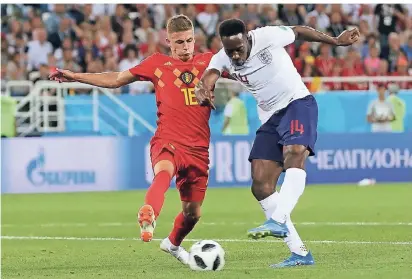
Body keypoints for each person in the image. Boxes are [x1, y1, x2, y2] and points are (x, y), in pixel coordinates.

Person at [49, 15, 220, 265]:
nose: (185, 47)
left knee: (192, 213)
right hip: (168, 140)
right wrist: (77, 76)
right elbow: (117, 79)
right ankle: (149, 214)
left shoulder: (209, 62)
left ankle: (172, 244)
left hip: (198, 150)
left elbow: (245, 70)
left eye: (189, 41)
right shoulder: (157, 64)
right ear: (168, 42)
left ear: (195, 39)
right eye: (179, 42)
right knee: (164, 172)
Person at [195, 18, 359, 268]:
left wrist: (335, 41)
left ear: (248, 38)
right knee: (261, 184)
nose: (236, 55)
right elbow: (210, 76)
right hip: (270, 117)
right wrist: (203, 89)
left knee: (294, 153)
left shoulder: (267, 36)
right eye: (230, 51)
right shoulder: (223, 57)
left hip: (297, 103)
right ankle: (300, 253)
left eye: (239, 48)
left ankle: (278, 219)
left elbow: (299, 31)